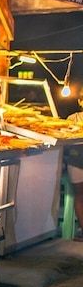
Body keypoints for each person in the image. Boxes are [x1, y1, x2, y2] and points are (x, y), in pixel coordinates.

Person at [64, 101, 83, 241]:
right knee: (80, 195)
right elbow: (65, 138)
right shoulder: (72, 118)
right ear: (80, 101)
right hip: (75, 159)